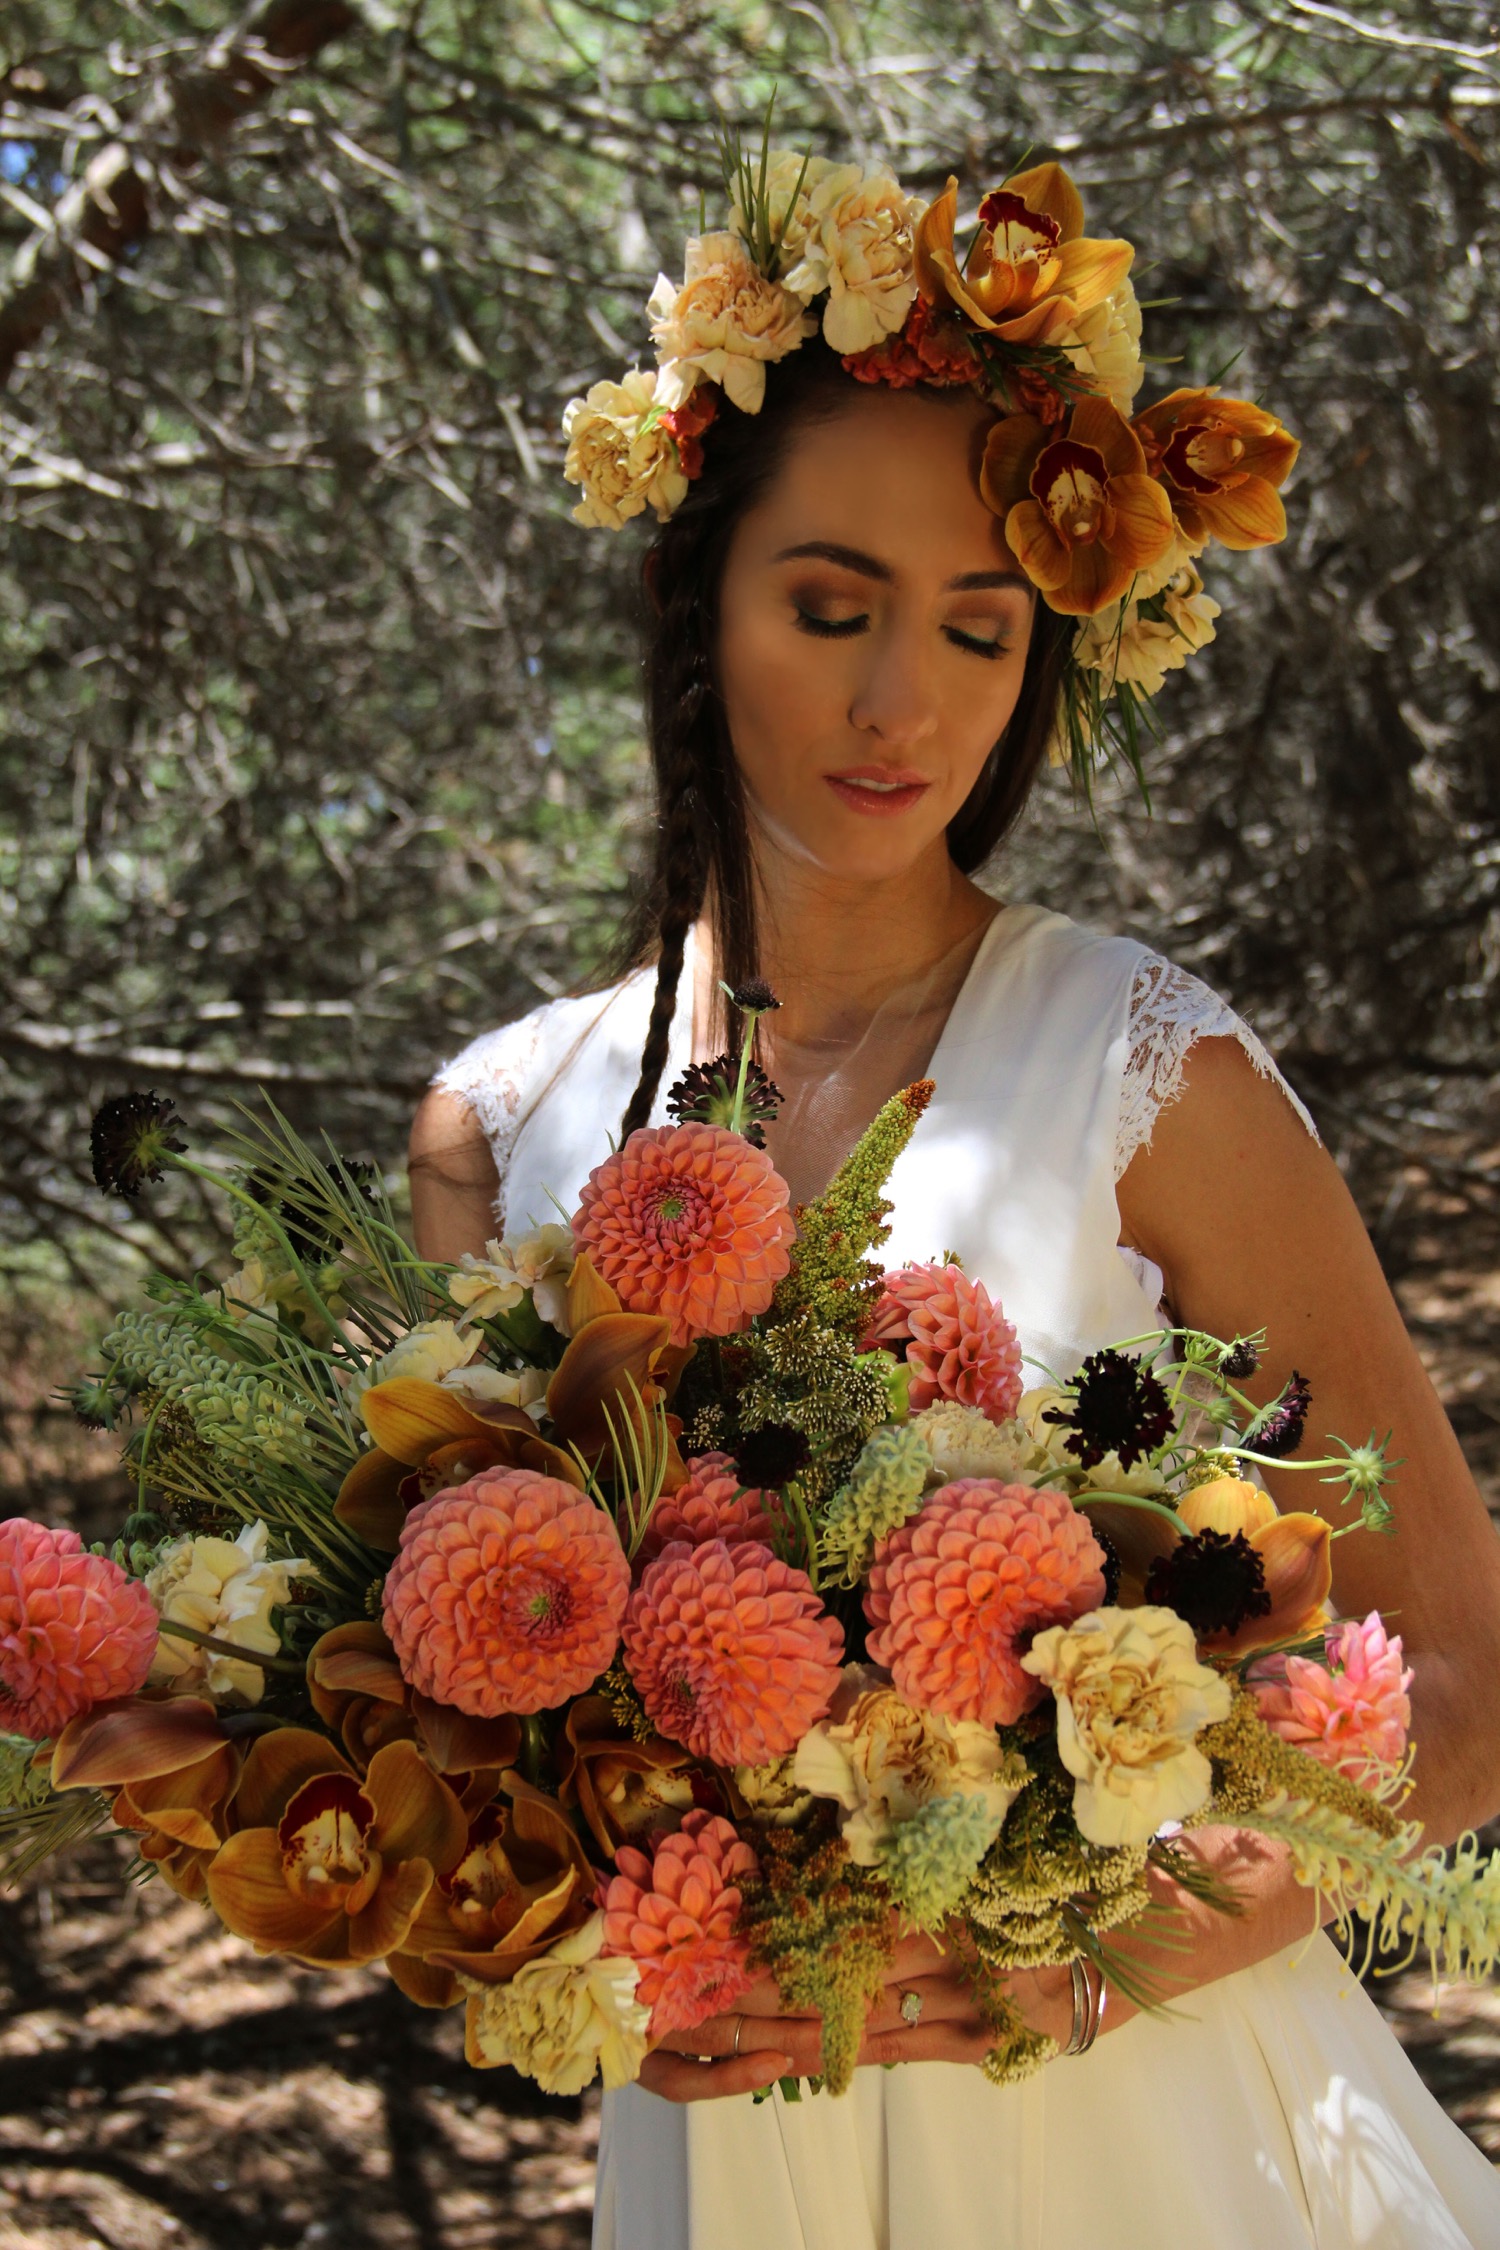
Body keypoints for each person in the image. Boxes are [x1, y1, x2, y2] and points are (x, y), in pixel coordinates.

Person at [407, 151, 1500, 2248]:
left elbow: (1459, 1673)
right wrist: (557, 1963)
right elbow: (445, 1758)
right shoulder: (501, 1123)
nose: (902, 701)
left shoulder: (1149, 1077)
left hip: (1142, 2147)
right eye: (830, 607)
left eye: (977, 630)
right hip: (723, 2153)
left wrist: (1105, 1948)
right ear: (692, 594)